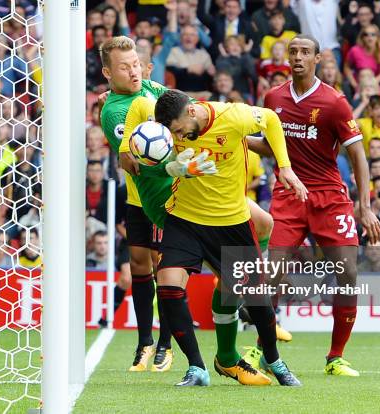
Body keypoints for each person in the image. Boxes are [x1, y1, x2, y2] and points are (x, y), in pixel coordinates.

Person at [245, 34, 380, 377]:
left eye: (305, 52)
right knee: (272, 274)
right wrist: (236, 137)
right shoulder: (272, 97)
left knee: (348, 273)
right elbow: (270, 146)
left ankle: (335, 357)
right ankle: (263, 350)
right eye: (293, 51)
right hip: (288, 195)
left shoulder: (334, 102)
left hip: (329, 197)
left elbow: (358, 155)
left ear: (317, 58)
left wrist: (364, 206)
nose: (298, 57)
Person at [152, 89, 305, 386]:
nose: (179, 135)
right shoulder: (168, 130)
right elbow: (159, 163)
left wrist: (283, 166)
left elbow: (271, 119)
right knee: (169, 287)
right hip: (185, 218)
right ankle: (197, 368)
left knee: (257, 299)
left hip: (230, 222)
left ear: (192, 111)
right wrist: (178, 168)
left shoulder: (233, 116)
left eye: (180, 130)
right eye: (174, 133)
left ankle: (273, 359)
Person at [100, 36, 212, 372]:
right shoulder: (114, 113)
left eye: (135, 63)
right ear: (108, 72)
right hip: (140, 195)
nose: (133, 72)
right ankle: (144, 341)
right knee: (138, 264)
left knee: (167, 267)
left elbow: (187, 106)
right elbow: (135, 161)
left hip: (173, 196)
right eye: (124, 67)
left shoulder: (152, 87)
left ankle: (165, 343)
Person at [344, 24, 380, 90]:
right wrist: (354, 84)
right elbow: (346, 67)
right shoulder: (355, 50)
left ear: (377, 37)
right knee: (345, 85)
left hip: (377, 79)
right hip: (359, 81)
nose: (369, 37)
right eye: (366, 34)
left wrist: (377, 80)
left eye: (373, 34)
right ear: (362, 37)